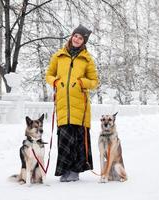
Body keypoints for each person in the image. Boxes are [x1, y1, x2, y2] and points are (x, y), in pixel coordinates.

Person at [45, 24, 99, 182]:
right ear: (72, 36)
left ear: (84, 41)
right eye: (75, 36)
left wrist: (83, 82)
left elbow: (95, 81)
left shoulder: (87, 59)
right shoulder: (59, 56)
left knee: (77, 139)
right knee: (64, 138)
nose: (77, 39)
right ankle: (65, 170)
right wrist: (55, 81)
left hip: (80, 106)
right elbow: (48, 75)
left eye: (80, 38)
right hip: (63, 105)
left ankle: (75, 171)